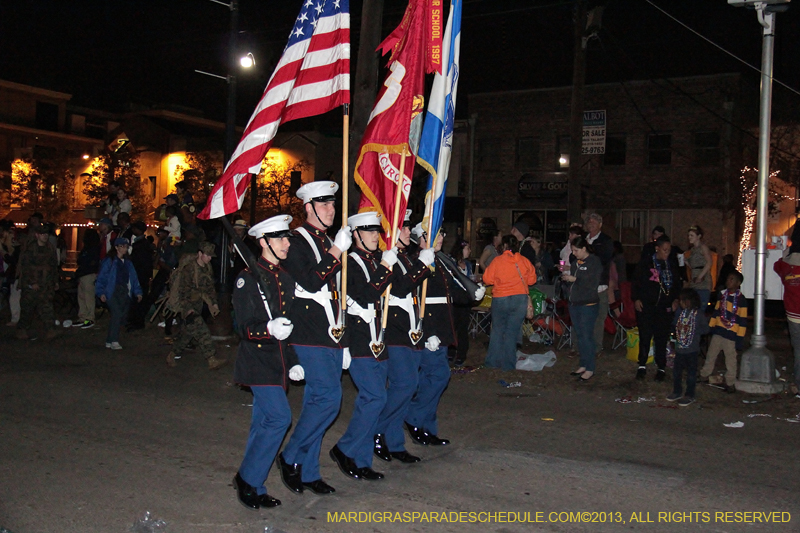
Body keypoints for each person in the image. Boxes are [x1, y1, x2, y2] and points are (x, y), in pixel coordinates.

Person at [278, 180, 351, 496]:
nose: (331, 210)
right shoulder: (295, 241)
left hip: (330, 331)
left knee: (315, 404)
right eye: (324, 205)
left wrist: (344, 340)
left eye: (333, 204)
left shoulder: (328, 241)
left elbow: (337, 293)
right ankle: (290, 455)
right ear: (308, 208)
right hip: (307, 331)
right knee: (329, 400)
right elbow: (310, 282)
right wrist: (337, 251)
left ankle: (308, 471)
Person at [231, 214, 302, 510]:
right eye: (280, 238)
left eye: (287, 238)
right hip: (257, 360)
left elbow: (289, 324)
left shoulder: (284, 277)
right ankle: (247, 479)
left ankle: (255, 483)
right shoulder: (247, 278)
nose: (287, 243)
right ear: (263, 242)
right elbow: (243, 326)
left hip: (279, 362)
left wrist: (294, 359)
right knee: (279, 418)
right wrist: (268, 328)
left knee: (262, 423)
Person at [330, 212, 395, 482]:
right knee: (374, 397)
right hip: (358, 340)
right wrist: (386, 268)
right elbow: (366, 294)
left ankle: (362, 459)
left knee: (374, 401)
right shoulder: (349, 263)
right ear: (356, 235)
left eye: (376, 231)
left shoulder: (375, 260)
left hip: (378, 339)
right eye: (369, 232)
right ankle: (345, 449)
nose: (375, 236)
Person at [405, 225, 479, 447]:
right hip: (427, 329)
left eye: (442, 233)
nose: (441, 238)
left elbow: (450, 292)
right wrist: (427, 331)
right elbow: (415, 296)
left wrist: (472, 294)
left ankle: (427, 427)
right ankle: (413, 416)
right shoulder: (416, 261)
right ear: (422, 237)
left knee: (431, 378)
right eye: (436, 234)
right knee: (438, 375)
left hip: (441, 328)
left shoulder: (441, 260)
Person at [373, 210, 433, 466]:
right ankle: (377, 430)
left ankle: (394, 440)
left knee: (410, 386)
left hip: (410, 329)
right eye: (404, 228)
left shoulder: (405, 258)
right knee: (404, 385)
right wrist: (422, 266)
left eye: (408, 227)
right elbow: (398, 288)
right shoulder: (384, 258)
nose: (409, 232)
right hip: (393, 330)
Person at [165, 242, 225, 369]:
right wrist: (188, 309)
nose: (209, 258)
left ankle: (172, 354)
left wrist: (213, 303)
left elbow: (210, 288)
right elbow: (183, 291)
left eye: (210, 256)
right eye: (207, 255)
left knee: (186, 334)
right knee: (203, 332)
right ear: (199, 253)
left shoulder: (207, 268)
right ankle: (211, 359)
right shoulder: (189, 269)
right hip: (188, 307)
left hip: (198, 305)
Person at [482, 234, 536, 371]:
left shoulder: (497, 261)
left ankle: (493, 362)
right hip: (519, 299)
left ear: (504, 246)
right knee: (512, 332)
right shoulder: (524, 261)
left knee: (497, 331)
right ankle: (508, 364)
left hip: (501, 298)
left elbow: (487, 279)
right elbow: (532, 280)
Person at [633, 235, 682, 381]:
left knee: (661, 337)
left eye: (669, 250)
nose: (667, 253)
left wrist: (676, 299)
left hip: (664, 308)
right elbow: (636, 282)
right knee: (645, 336)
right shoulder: (646, 263)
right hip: (647, 306)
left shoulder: (671, 265)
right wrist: (636, 298)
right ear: (657, 249)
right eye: (664, 250)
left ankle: (661, 366)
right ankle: (642, 365)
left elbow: (677, 285)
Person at [699, 272, 747, 393]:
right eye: (728, 279)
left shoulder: (741, 300)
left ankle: (730, 382)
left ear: (738, 283)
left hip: (731, 334)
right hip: (719, 331)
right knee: (711, 354)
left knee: (730, 359)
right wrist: (711, 327)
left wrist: (739, 338)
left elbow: (742, 320)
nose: (728, 281)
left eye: (732, 279)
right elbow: (716, 311)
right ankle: (704, 374)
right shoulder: (722, 296)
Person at [562, 237, 602, 382]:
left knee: (587, 336)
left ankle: (590, 368)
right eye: (572, 250)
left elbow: (592, 283)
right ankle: (583, 364)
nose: (574, 253)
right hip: (575, 303)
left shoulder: (594, 262)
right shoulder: (575, 263)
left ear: (584, 248)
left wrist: (575, 279)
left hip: (588, 305)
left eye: (576, 250)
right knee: (579, 336)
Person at [95, 238, 142, 350]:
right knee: (116, 313)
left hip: (124, 290)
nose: (124, 249)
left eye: (126, 246)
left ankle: (109, 339)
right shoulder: (110, 261)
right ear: (116, 247)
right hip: (112, 290)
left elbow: (134, 278)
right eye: (122, 246)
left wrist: (138, 292)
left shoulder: (128, 263)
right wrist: (101, 292)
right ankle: (114, 340)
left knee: (121, 314)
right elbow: (102, 277)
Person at [15, 224, 60, 341]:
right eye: (42, 234)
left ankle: (50, 329)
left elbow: (53, 266)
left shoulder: (50, 248)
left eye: (46, 234)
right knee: (27, 308)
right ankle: (22, 329)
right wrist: (32, 282)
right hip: (31, 285)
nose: (45, 236)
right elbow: (26, 268)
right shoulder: (30, 249)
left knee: (47, 308)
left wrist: (55, 281)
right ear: (37, 235)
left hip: (46, 284)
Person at [668, 288, 709, 406]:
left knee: (691, 374)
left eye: (682, 300)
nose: (680, 303)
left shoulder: (698, 314)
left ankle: (690, 394)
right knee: (677, 372)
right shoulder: (681, 313)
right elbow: (674, 325)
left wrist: (694, 331)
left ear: (689, 301)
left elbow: (706, 329)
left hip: (692, 350)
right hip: (680, 349)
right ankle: (677, 391)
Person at [774, 237, 800, 399]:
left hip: (794, 315)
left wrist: (786, 252)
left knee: (798, 350)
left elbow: (776, 264)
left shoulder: (785, 266)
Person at [584, 213, 614, 355]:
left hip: (599, 285)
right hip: (583, 285)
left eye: (594, 222)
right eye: (589, 222)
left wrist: (588, 253)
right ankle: (581, 345)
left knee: (598, 318)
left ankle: (596, 347)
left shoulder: (605, 241)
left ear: (600, 225)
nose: (591, 224)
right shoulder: (583, 239)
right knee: (583, 317)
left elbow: (604, 259)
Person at [449, 239, 473, 366]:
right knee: (453, 326)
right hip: (454, 298)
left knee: (463, 327)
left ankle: (462, 353)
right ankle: (451, 351)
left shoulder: (468, 264)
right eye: (467, 248)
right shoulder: (452, 264)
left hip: (465, 299)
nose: (469, 251)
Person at [127, 221, 154, 331]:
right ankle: (135, 320)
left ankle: (137, 321)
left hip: (140, 275)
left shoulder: (141, 245)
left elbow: (140, 261)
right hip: (141, 274)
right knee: (138, 298)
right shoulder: (143, 243)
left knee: (138, 299)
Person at [74, 228, 101, 329]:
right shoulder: (86, 249)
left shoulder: (94, 249)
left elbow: (89, 262)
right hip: (83, 274)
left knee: (88, 297)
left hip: (89, 274)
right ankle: (83, 317)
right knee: (82, 297)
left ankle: (89, 318)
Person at [686, 225, 712, 313]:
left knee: (700, 307)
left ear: (699, 236)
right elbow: (693, 266)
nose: (689, 237)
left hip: (703, 282)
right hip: (694, 281)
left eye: (692, 235)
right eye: (689, 235)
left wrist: (700, 277)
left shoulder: (703, 247)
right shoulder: (692, 250)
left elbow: (709, 262)